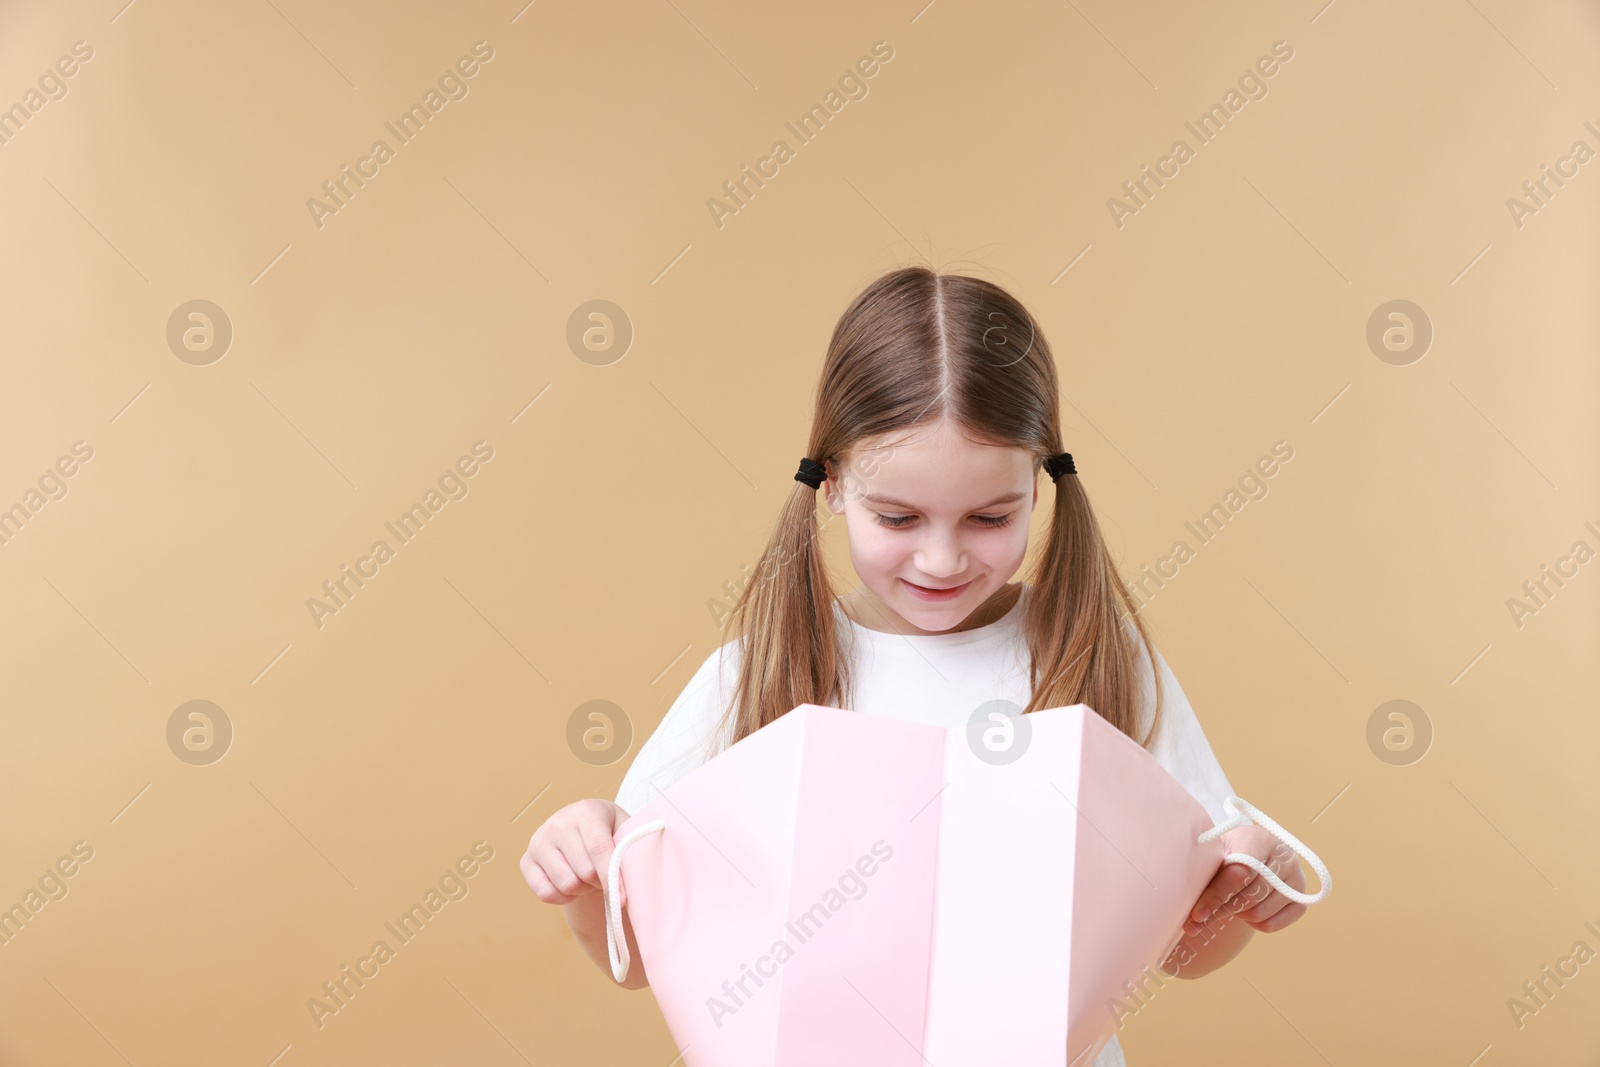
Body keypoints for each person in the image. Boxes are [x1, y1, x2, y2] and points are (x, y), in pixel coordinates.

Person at [521, 265, 1310, 1064]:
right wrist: (587, 864)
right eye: (897, 515)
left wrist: (1242, 887)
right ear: (830, 485)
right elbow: (634, 954)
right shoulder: (759, 671)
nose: (942, 557)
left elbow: (1180, 951)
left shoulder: (1094, 658)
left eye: (990, 516)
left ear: (1038, 489)